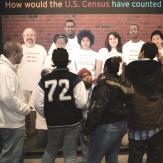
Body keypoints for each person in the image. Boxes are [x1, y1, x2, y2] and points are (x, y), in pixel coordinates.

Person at [34, 48, 87, 163]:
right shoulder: (75, 78)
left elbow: (38, 104)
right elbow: (82, 103)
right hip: (72, 122)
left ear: (53, 60)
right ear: (68, 61)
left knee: (50, 151)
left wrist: (49, 113)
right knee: (70, 154)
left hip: (53, 122)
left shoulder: (44, 80)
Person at [85, 56, 131, 163]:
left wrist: (87, 129)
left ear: (105, 68)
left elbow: (96, 110)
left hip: (106, 126)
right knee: (112, 157)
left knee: (93, 159)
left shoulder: (103, 87)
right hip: (122, 124)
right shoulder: (124, 84)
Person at [125, 42, 163, 163]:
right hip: (156, 120)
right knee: (155, 156)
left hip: (136, 119)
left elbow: (124, 91)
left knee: (135, 157)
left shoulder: (129, 68)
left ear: (141, 52)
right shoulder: (160, 69)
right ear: (156, 54)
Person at [0, 41, 31, 163]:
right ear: (14, 53)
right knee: (11, 158)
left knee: (14, 157)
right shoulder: (5, 71)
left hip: (10, 121)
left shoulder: (7, 70)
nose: (23, 56)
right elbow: (7, 98)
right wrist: (25, 108)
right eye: (21, 53)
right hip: (11, 123)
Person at [78, 68, 94, 163]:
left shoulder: (96, 88)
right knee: (85, 148)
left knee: (95, 147)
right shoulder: (78, 91)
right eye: (84, 76)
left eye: (89, 75)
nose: (87, 77)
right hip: (82, 123)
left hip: (94, 122)